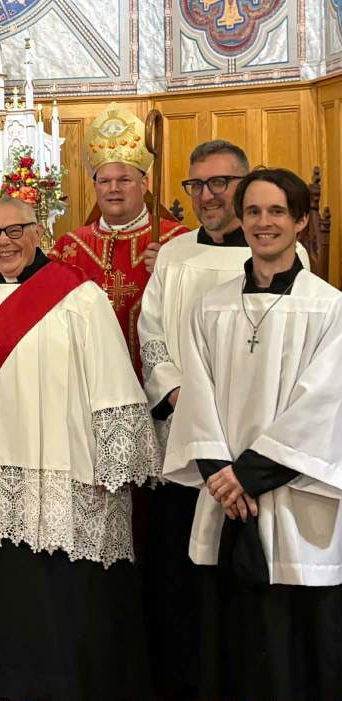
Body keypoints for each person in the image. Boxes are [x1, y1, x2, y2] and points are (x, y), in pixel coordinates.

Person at [0, 196, 158, 701]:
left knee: (70, 593)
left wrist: (113, 461)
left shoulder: (79, 295)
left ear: (39, 232)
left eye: (16, 231)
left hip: (69, 468)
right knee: (10, 590)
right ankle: (10, 682)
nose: (4, 242)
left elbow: (112, 379)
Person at [137, 141, 309, 699]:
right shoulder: (173, 255)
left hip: (256, 455)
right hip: (187, 444)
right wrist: (180, 397)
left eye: (221, 184)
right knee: (183, 578)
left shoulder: (286, 260)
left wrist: (245, 457)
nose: (207, 196)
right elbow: (151, 332)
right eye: (197, 185)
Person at [163, 168, 342, 701]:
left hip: (295, 498)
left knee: (294, 640)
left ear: (301, 221)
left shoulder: (328, 307)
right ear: (240, 221)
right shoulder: (212, 305)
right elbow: (197, 394)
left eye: (277, 212)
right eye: (254, 212)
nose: (264, 223)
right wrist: (221, 474)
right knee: (228, 638)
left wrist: (245, 476)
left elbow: (324, 403)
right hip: (226, 496)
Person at [51, 103, 190, 376]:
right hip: (90, 381)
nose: (113, 189)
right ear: (95, 186)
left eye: (124, 180)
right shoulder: (69, 247)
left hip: (162, 383)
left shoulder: (176, 242)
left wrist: (172, 272)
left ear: (144, 184)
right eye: (104, 181)